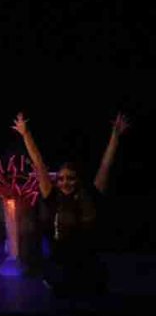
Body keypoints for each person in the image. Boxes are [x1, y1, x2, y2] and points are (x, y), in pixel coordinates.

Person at [15, 111, 128, 298]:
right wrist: (26, 134)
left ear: (78, 180)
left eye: (70, 178)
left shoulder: (91, 195)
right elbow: (39, 163)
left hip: (88, 267)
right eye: (61, 179)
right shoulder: (52, 196)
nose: (65, 182)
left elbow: (106, 165)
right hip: (60, 268)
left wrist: (115, 136)